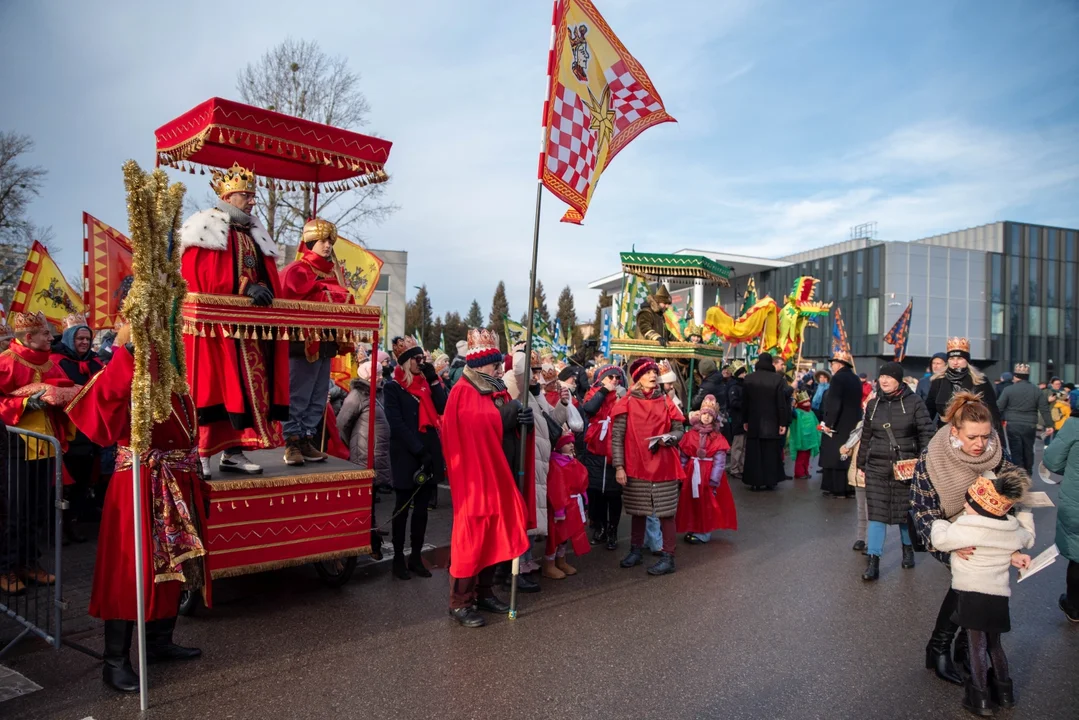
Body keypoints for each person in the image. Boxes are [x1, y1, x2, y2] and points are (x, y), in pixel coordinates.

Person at [65, 334, 208, 693]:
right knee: (130, 572)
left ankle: (159, 640)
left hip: (177, 481)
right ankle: (115, 661)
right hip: (139, 485)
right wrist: (127, 355)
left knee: (174, 567)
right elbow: (101, 408)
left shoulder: (175, 382)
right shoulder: (124, 375)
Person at [179, 162, 289, 477]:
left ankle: (234, 451)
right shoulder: (206, 227)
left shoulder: (254, 233)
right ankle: (200, 452)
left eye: (253, 196)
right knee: (213, 389)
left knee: (244, 392)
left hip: (251, 331)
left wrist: (265, 289)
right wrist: (243, 289)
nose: (253, 201)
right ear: (229, 196)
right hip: (217, 332)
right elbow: (199, 278)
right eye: (246, 195)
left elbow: (265, 274)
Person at [910, 391, 1022, 687]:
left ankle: (959, 648)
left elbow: (1013, 491)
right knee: (965, 588)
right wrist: (948, 551)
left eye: (985, 436)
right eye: (973, 437)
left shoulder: (996, 452)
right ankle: (939, 648)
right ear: (955, 432)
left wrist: (1013, 495)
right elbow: (923, 510)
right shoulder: (932, 457)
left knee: (978, 592)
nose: (980, 444)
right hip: (951, 532)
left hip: (989, 534)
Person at [442, 328, 531, 628]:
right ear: (481, 364)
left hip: (498, 472)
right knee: (472, 538)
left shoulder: (496, 389)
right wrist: (507, 414)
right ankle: (460, 603)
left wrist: (521, 421)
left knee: (496, 532)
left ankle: (485, 591)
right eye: (495, 363)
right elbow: (476, 426)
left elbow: (503, 423)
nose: (500, 368)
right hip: (474, 480)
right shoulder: (462, 391)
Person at [929, 469, 1034, 715]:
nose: (966, 504)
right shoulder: (1010, 530)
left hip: (971, 593)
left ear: (978, 505)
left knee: (976, 646)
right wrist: (1026, 516)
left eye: (969, 501)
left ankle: (981, 697)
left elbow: (940, 540)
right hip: (998, 595)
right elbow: (1027, 539)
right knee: (994, 645)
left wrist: (939, 522)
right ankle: (1005, 693)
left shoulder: (966, 526)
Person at [0, 311, 73, 593]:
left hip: (45, 446)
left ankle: (29, 562)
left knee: (39, 509)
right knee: (15, 511)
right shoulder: (5, 363)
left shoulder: (51, 364)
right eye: (45, 334)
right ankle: (6, 567)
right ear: (28, 338)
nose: (50, 338)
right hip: (16, 448)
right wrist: (22, 405)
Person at [281, 218, 354, 466]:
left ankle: (305, 439)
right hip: (302, 344)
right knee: (298, 394)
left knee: (318, 395)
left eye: (330, 241)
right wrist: (331, 295)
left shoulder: (334, 273)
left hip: (326, 342)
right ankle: (291, 441)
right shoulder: (297, 270)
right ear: (311, 242)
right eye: (322, 241)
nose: (327, 246)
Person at [856, 362, 934, 581]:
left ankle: (907, 549)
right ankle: (873, 560)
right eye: (882, 377)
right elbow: (866, 436)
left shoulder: (915, 402)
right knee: (877, 514)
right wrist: (861, 464)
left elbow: (927, 433)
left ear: (899, 380)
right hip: (877, 467)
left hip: (906, 468)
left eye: (890, 377)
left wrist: (923, 463)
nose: (885, 380)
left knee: (904, 512)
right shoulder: (873, 404)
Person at [612, 357, 686, 575]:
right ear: (637, 378)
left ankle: (668, 557)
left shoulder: (665, 401)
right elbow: (617, 437)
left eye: (654, 372)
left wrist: (670, 438)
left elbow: (679, 429)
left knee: (666, 513)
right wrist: (619, 467)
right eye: (647, 373)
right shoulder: (626, 402)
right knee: (638, 510)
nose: (653, 376)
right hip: (636, 465)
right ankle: (636, 550)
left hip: (664, 465)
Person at [383, 336, 447, 580]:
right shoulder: (393, 387)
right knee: (402, 507)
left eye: (422, 358)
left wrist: (433, 379)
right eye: (416, 359)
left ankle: (416, 557)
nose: (420, 363)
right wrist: (417, 448)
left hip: (428, 450)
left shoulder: (426, 384)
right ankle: (398, 558)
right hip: (407, 452)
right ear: (405, 361)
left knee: (422, 509)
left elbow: (442, 408)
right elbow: (396, 423)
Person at [51, 314, 105, 545]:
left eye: (87, 338)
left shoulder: (96, 362)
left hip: (90, 430)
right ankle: (58, 529)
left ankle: (73, 524)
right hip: (67, 428)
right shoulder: (56, 361)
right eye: (79, 338)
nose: (84, 342)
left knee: (84, 481)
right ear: (69, 338)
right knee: (64, 483)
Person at [337, 353, 391, 560]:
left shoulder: (377, 394)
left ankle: (371, 540)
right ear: (369, 376)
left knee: (371, 503)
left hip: (376, 456)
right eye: (377, 374)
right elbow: (342, 424)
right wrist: (351, 445)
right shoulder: (357, 396)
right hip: (363, 456)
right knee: (365, 504)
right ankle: (370, 543)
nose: (381, 377)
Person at [676, 396, 736, 544]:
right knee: (692, 501)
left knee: (706, 503)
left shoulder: (717, 438)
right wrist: (682, 473)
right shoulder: (691, 435)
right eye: (704, 414)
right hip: (692, 472)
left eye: (710, 415)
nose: (706, 417)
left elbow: (719, 461)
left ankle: (704, 531)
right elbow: (684, 455)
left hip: (707, 474)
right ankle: (694, 526)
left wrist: (714, 479)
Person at [1042, 390, 1079, 623]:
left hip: (1076, 502)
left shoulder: (1074, 425)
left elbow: (1053, 461)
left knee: (1077, 555)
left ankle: (1074, 607)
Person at [581, 364, 624, 551]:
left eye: (617, 377)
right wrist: (604, 391)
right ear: (602, 378)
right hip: (595, 450)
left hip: (614, 448)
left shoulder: (622, 396)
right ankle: (599, 527)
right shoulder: (593, 393)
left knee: (614, 495)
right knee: (595, 492)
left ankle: (613, 530)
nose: (615, 380)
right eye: (611, 377)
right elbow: (589, 409)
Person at [925, 337, 1002, 438]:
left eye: (960, 358)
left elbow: (992, 410)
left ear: (967, 360)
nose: (955, 362)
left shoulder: (980, 380)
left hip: (972, 433)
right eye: (951, 359)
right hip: (945, 433)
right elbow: (929, 410)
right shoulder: (938, 380)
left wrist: (998, 438)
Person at [542, 433, 590, 579]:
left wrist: (585, 501)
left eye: (571, 443)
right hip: (561, 506)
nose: (571, 445)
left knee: (566, 535)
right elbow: (557, 488)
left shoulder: (571, 461)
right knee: (556, 536)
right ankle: (549, 565)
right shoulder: (556, 464)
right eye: (567, 443)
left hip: (573, 504)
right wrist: (559, 510)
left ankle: (561, 561)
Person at [740, 353, 790, 491]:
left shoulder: (749, 379)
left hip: (754, 421)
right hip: (771, 422)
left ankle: (754, 481)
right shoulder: (777, 379)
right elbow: (781, 403)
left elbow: (745, 403)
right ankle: (770, 480)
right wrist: (782, 422)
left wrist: (745, 420)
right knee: (770, 452)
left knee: (755, 452)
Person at [819, 351, 863, 498]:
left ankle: (837, 488)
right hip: (852, 422)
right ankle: (849, 488)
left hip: (838, 423)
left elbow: (834, 403)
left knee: (835, 455)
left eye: (833, 364)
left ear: (839, 364)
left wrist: (829, 423)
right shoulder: (856, 379)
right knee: (848, 453)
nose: (832, 367)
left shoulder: (838, 379)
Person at [996, 363, 1053, 474]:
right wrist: (1050, 425)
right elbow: (1044, 409)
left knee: (1016, 450)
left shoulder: (1009, 390)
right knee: (1028, 450)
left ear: (1016, 376)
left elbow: (999, 407)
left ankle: (1019, 474)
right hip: (1030, 424)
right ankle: (1028, 472)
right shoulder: (1037, 391)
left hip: (1013, 424)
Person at [788, 391, 821, 480]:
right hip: (802, 439)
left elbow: (816, 423)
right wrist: (792, 403)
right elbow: (792, 412)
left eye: (808, 401)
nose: (807, 403)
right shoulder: (797, 412)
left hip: (810, 439)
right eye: (804, 402)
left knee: (807, 457)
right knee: (801, 457)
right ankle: (799, 473)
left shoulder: (811, 412)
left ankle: (805, 471)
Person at [726, 363, 747, 479]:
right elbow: (733, 403)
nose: (745, 374)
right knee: (738, 445)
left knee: (743, 446)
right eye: (743, 372)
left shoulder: (743, 386)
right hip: (738, 419)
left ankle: (741, 467)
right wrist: (745, 405)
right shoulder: (734, 387)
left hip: (743, 419)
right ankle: (734, 468)